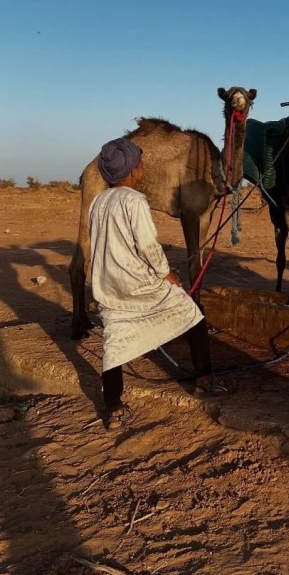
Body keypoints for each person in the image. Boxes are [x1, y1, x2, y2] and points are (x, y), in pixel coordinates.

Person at [88, 137, 221, 429]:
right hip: (138, 283)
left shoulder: (99, 201)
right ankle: (204, 378)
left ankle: (114, 410)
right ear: (133, 170)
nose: (143, 167)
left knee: (115, 343)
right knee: (192, 314)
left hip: (109, 286)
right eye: (140, 163)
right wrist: (166, 273)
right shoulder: (134, 201)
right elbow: (148, 245)